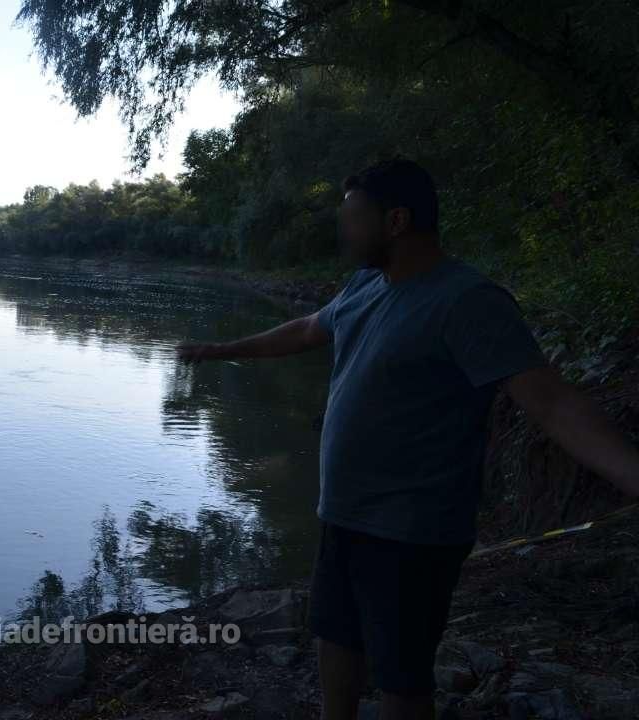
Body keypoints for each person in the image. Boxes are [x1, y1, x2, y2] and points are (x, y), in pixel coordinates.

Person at [175, 158, 639, 720]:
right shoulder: (366, 283)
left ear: (395, 221)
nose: (342, 231)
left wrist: (630, 474)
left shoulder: (468, 301)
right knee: (336, 635)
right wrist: (223, 350)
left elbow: (550, 400)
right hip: (343, 514)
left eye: (352, 218)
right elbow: (304, 330)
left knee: (402, 674)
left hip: (411, 530)